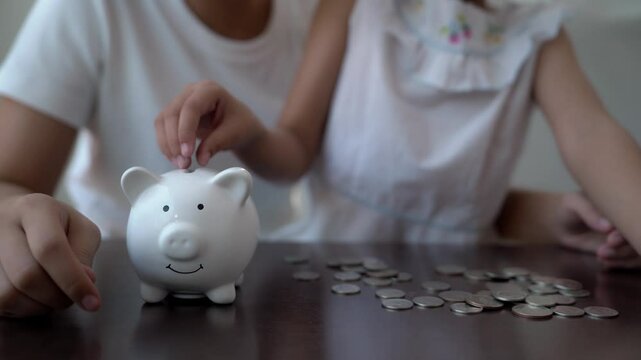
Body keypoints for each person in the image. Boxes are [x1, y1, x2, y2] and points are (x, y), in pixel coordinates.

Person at [156, 1, 641, 263]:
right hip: (326, 275)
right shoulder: (352, 6)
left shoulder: (540, 32)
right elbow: (295, 146)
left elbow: (591, 134)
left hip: (463, 292)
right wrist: (250, 137)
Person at [0, 0, 318, 317]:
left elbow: (297, 151)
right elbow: (8, 182)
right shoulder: (89, 8)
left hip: (274, 284)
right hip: (113, 281)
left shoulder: (322, 17)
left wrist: (257, 140)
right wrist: (15, 220)